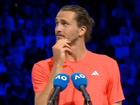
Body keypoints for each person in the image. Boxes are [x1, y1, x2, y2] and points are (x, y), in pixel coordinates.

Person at [32, 5, 125, 105]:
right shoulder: (41, 67)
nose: (58, 29)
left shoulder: (108, 64)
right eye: (57, 23)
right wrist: (58, 64)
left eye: (64, 24)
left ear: (81, 30)